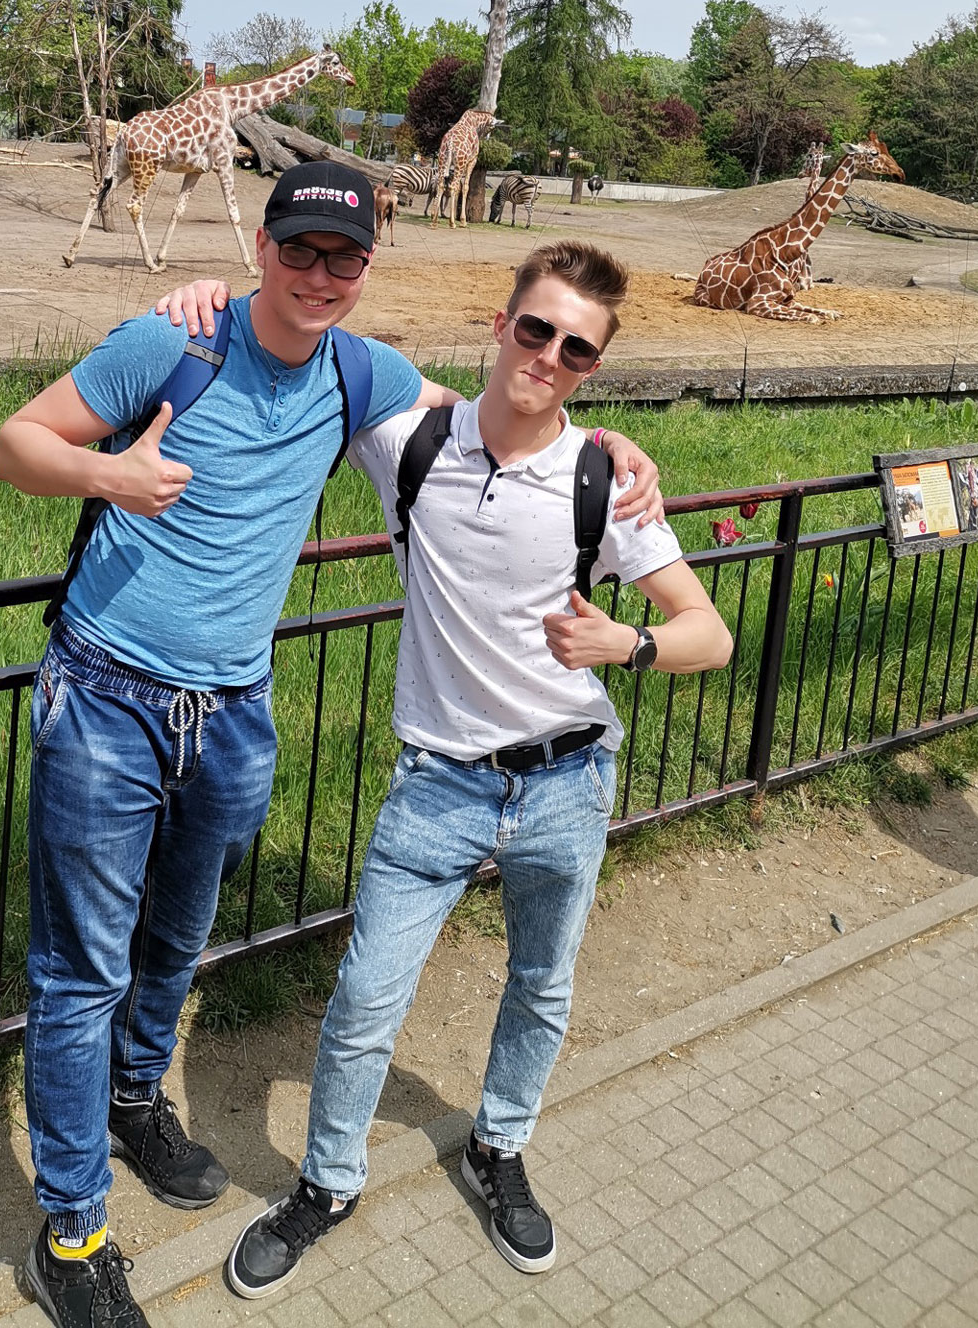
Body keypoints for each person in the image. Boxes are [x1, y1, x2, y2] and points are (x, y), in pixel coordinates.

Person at [0, 169, 661, 1328]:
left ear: (365, 270)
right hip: (105, 698)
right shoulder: (173, 341)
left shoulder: (360, 371)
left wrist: (604, 442)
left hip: (233, 713)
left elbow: (492, 411)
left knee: (179, 933)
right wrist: (111, 475)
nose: (318, 274)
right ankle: (72, 1233)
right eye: (299, 249)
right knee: (80, 970)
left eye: (342, 258)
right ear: (262, 246)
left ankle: (135, 1096)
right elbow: (14, 443)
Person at [171, 239, 732, 1300]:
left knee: (542, 985)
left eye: (577, 349)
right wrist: (211, 296)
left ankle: (497, 1147)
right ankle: (328, 1183)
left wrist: (630, 644)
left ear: (593, 367)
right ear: (500, 325)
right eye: (537, 329)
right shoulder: (410, 439)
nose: (549, 357)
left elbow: (711, 633)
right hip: (437, 786)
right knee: (364, 1000)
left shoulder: (604, 482)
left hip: (566, 782)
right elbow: (303, 332)